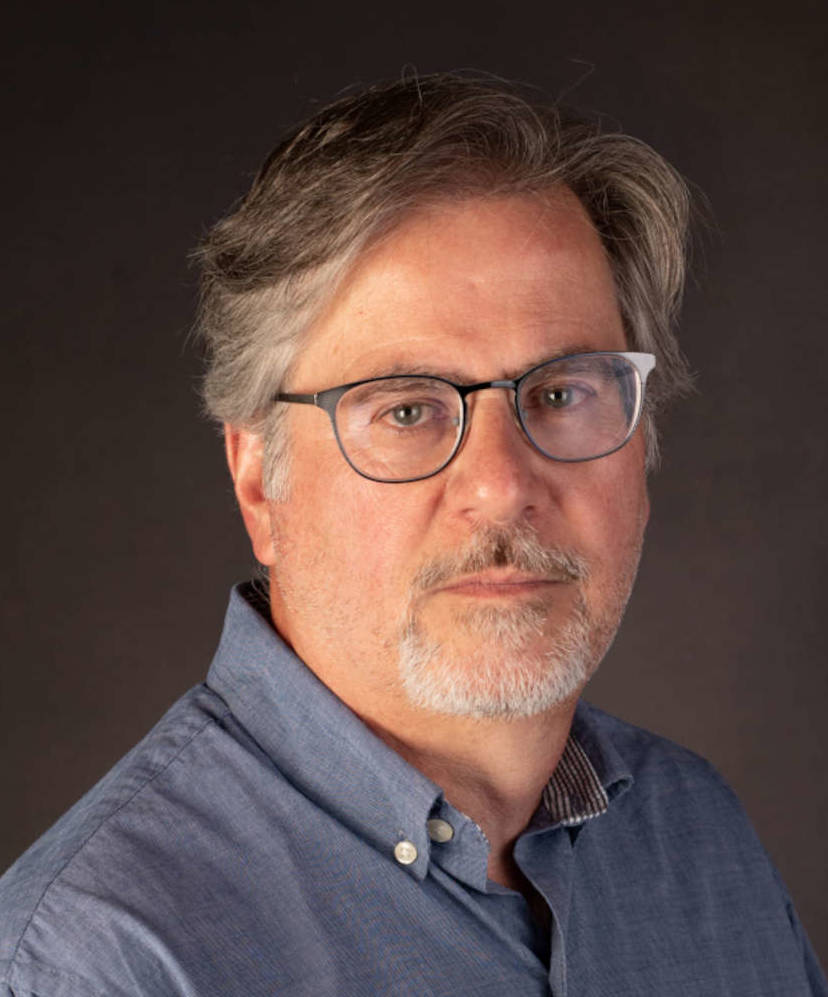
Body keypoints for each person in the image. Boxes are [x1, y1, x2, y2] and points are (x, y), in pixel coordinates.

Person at [0, 73, 824, 997]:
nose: (504, 486)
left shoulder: (699, 840)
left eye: (560, 394)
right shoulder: (92, 962)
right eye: (407, 410)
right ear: (257, 482)